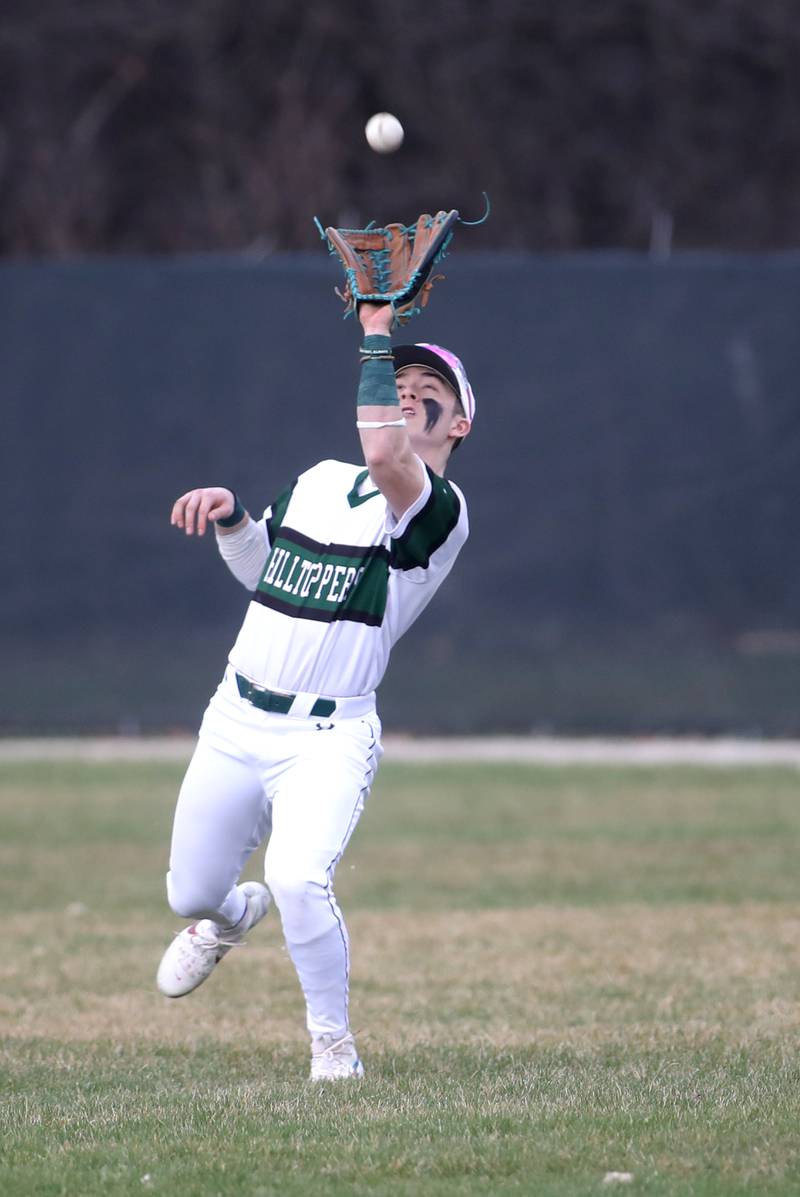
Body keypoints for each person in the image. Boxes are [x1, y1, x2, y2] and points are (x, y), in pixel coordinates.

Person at [156, 301, 475, 1081]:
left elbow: (388, 455)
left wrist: (373, 332)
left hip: (327, 737)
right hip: (236, 716)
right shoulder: (318, 481)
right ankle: (232, 916)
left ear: (459, 424)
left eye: (427, 385)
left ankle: (333, 1046)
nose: (406, 389)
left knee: (301, 877)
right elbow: (267, 575)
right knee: (190, 893)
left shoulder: (438, 509)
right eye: (396, 376)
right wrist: (234, 520)